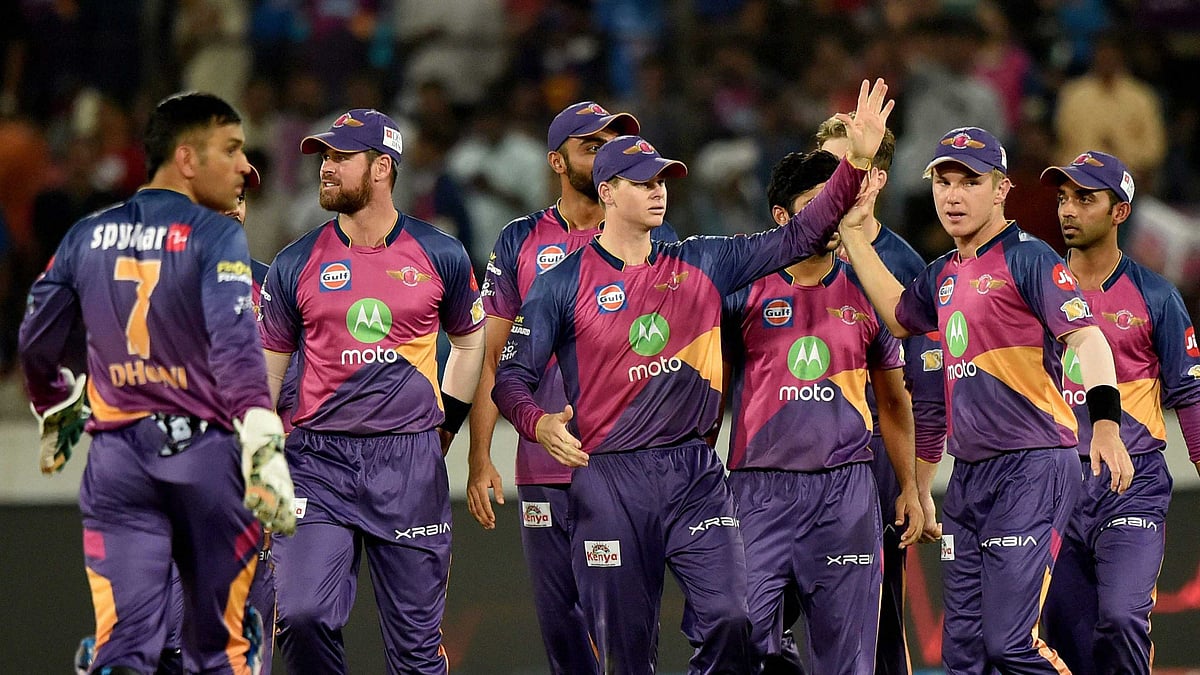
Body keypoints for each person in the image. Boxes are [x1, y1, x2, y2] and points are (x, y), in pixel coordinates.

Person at [493, 78, 894, 674]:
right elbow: (510, 377)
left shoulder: (702, 261)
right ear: (608, 191)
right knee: (625, 655)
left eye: (662, 181)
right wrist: (538, 423)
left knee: (735, 618)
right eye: (643, 183)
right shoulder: (561, 283)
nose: (658, 192)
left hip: (693, 474)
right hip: (610, 478)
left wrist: (856, 164)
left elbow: (801, 234)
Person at [837, 125, 1135, 674]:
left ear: (1001, 190)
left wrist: (1107, 424)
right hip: (970, 476)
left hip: (1032, 467)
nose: (953, 196)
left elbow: (1088, 338)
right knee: (964, 655)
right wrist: (854, 235)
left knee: (1010, 645)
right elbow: (900, 316)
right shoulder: (943, 274)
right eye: (943, 182)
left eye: (969, 182)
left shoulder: (1030, 258)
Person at [19, 91, 294, 675]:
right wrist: (262, 441)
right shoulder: (222, 250)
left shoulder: (89, 235)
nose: (242, 179)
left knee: (127, 646)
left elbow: (39, 340)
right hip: (209, 464)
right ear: (189, 161)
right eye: (230, 156)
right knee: (221, 651)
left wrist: (56, 400)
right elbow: (237, 349)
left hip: (122, 460)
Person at [258, 108, 485, 674]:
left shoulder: (441, 253)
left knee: (415, 654)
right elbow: (268, 371)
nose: (325, 168)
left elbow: (469, 344)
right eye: (324, 157)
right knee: (301, 615)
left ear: (382, 167)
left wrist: (446, 427)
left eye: (341, 157)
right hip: (316, 460)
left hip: (409, 462)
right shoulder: (295, 262)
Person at [466, 100, 678, 674]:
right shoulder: (520, 239)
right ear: (557, 162)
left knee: (627, 630)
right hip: (542, 463)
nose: (607, 155)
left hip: (628, 464)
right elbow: (493, 357)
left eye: (613, 144)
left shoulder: (655, 235)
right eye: (592, 147)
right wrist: (480, 456)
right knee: (561, 628)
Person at [721, 148, 923, 673]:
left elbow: (894, 400)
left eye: (836, 202)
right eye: (817, 205)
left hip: (845, 493)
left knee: (849, 659)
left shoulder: (867, 290)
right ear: (782, 217)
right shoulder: (741, 292)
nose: (831, 216)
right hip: (757, 490)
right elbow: (710, 392)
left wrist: (909, 486)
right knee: (740, 634)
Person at [1039, 151, 1200, 674]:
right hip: (1054, 483)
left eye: (1085, 198)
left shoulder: (1156, 296)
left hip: (1131, 482)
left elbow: (1190, 396)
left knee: (1122, 617)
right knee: (1065, 636)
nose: (1068, 210)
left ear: (1120, 212)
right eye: (1063, 197)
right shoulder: (1033, 289)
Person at [815, 115, 946, 675]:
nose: (836, 178)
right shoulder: (786, 253)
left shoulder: (906, 267)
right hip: (789, 460)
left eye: (852, 165)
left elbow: (926, 392)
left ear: (877, 179)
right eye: (827, 167)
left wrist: (915, 486)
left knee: (879, 615)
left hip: (873, 456)